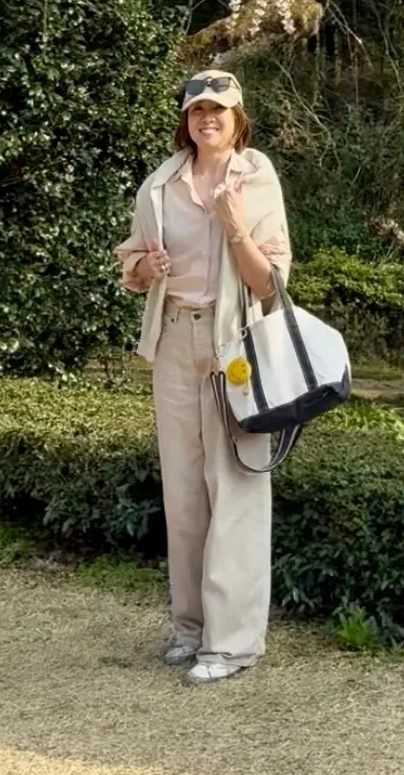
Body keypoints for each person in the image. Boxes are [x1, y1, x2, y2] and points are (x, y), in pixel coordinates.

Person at [116, 68, 291, 685]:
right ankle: (190, 628)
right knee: (183, 493)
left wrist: (233, 224)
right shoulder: (160, 182)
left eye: (218, 110)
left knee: (237, 487)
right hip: (172, 341)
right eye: (196, 111)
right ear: (184, 120)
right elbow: (131, 262)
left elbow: (270, 283)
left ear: (237, 118)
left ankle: (234, 642)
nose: (206, 119)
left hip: (234, 346)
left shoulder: (256, 176)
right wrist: (144, 265)